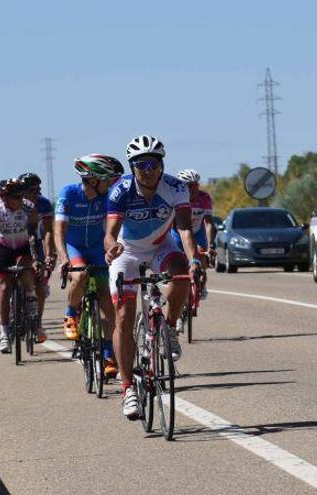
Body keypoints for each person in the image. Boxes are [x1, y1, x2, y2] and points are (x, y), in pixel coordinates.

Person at [105, 135, 202, 419]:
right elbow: (110, 233)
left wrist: (194, 258)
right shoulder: (120, 190)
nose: (147, 169)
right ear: (132, 166)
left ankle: (169, 327)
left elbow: (184, 229)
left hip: (161, 246)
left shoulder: (176, 187)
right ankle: (128, 389)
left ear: (162, 165)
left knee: (182, 274)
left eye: (154, 163)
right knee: (123, 315)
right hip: (128, 251)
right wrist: (112, 247)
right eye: (141, 164)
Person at [55, 154, 121, 377]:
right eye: (107, 180)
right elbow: (59, 230)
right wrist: (63, 258)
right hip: (75, 248)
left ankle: (108, 354)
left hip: (96, 249)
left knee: (107, 305)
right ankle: (70, 313)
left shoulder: (108, 197)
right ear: (93, 180)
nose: (110, 184)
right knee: (81, 276)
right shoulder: (69, 194)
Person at [0, 179, 42, 353]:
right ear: (5, 198)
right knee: (3, 287)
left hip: (23, 247)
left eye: (21, 195)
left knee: (26, 273)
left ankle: (31, 297)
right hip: (3, 249)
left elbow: (33, 236)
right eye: (15, 197)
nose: (20, 199)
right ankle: (4, 333)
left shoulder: (29, 208)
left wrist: (35, 258)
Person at [19, 172, 56, 343]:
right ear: (23, 191)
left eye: (38, 190)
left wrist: (50, 254)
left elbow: (48, 231)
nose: (37, 194)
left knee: (39, 285)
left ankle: (37, 323)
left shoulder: (43, 204)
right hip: (15, 244)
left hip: (37, 243)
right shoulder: (15, 203)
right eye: (32, 190)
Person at [171, 169, 215, 299]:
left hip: (197, 231)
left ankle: (202, 284)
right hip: (178, 233)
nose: (195, 188)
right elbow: (173, 224)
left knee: (201, 255)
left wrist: (210, 245)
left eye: (196, 184)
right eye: (190, 185)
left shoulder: (204, 198)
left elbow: (208, 223)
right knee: (180, 264)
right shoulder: (175, 198)